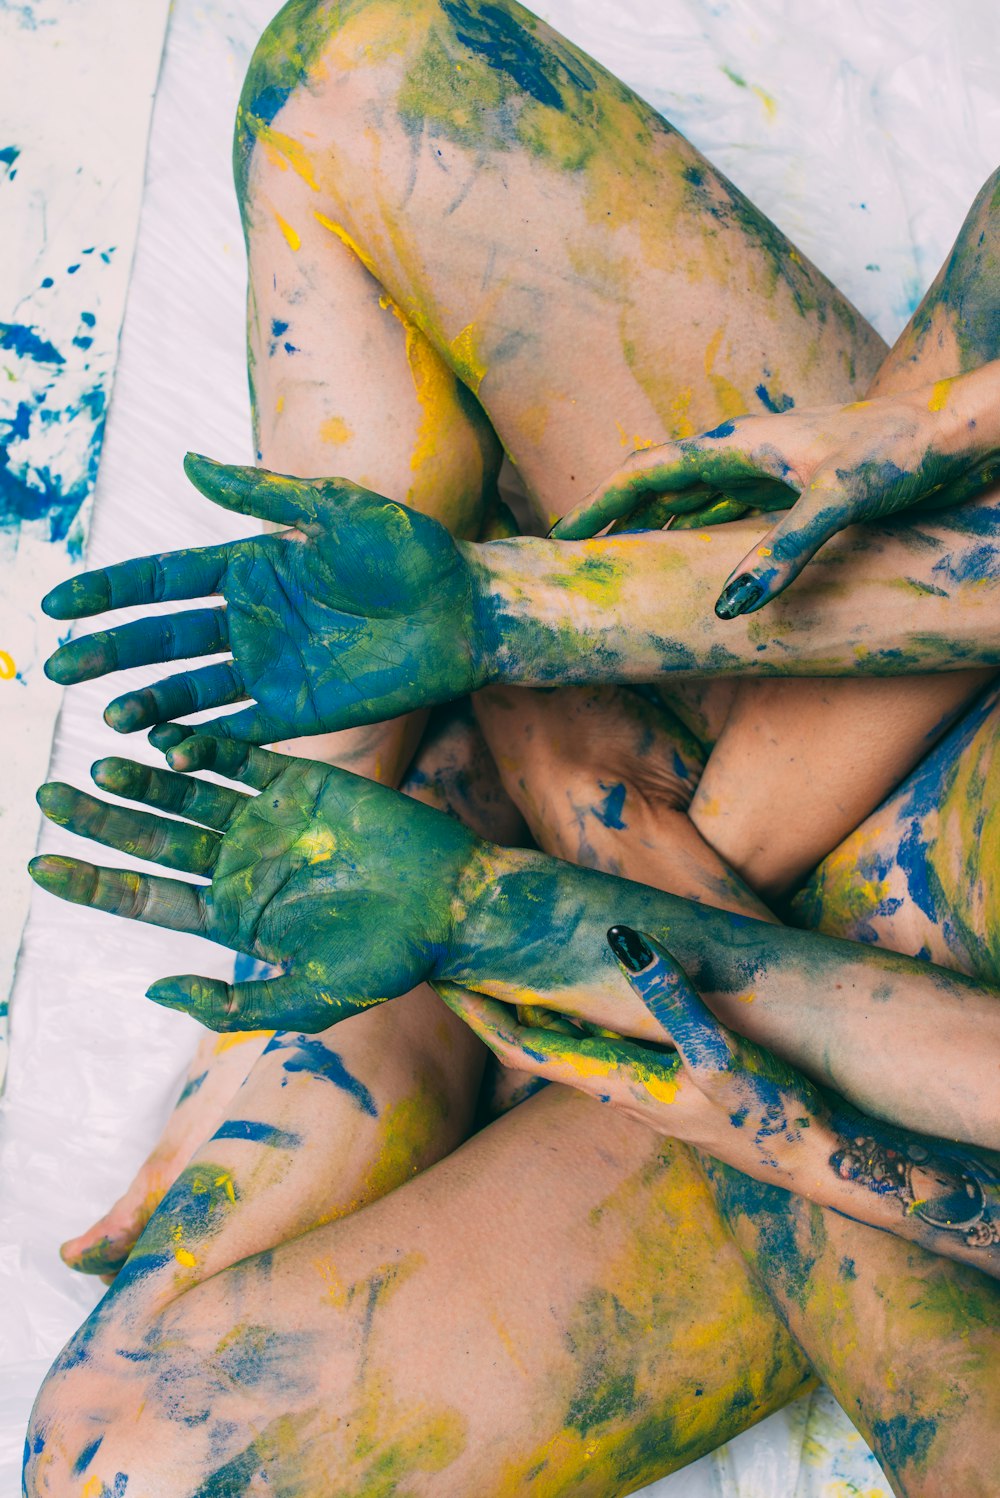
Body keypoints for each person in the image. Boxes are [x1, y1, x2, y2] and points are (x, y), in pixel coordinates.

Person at [21, 0, 1000, 1492]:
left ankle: (411, 886)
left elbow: (941, 1369)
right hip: (870, 637)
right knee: (353, 80)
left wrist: (564, 883)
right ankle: (348, 828)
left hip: (833, 1141)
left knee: (120, 1458)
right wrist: (516, 618)